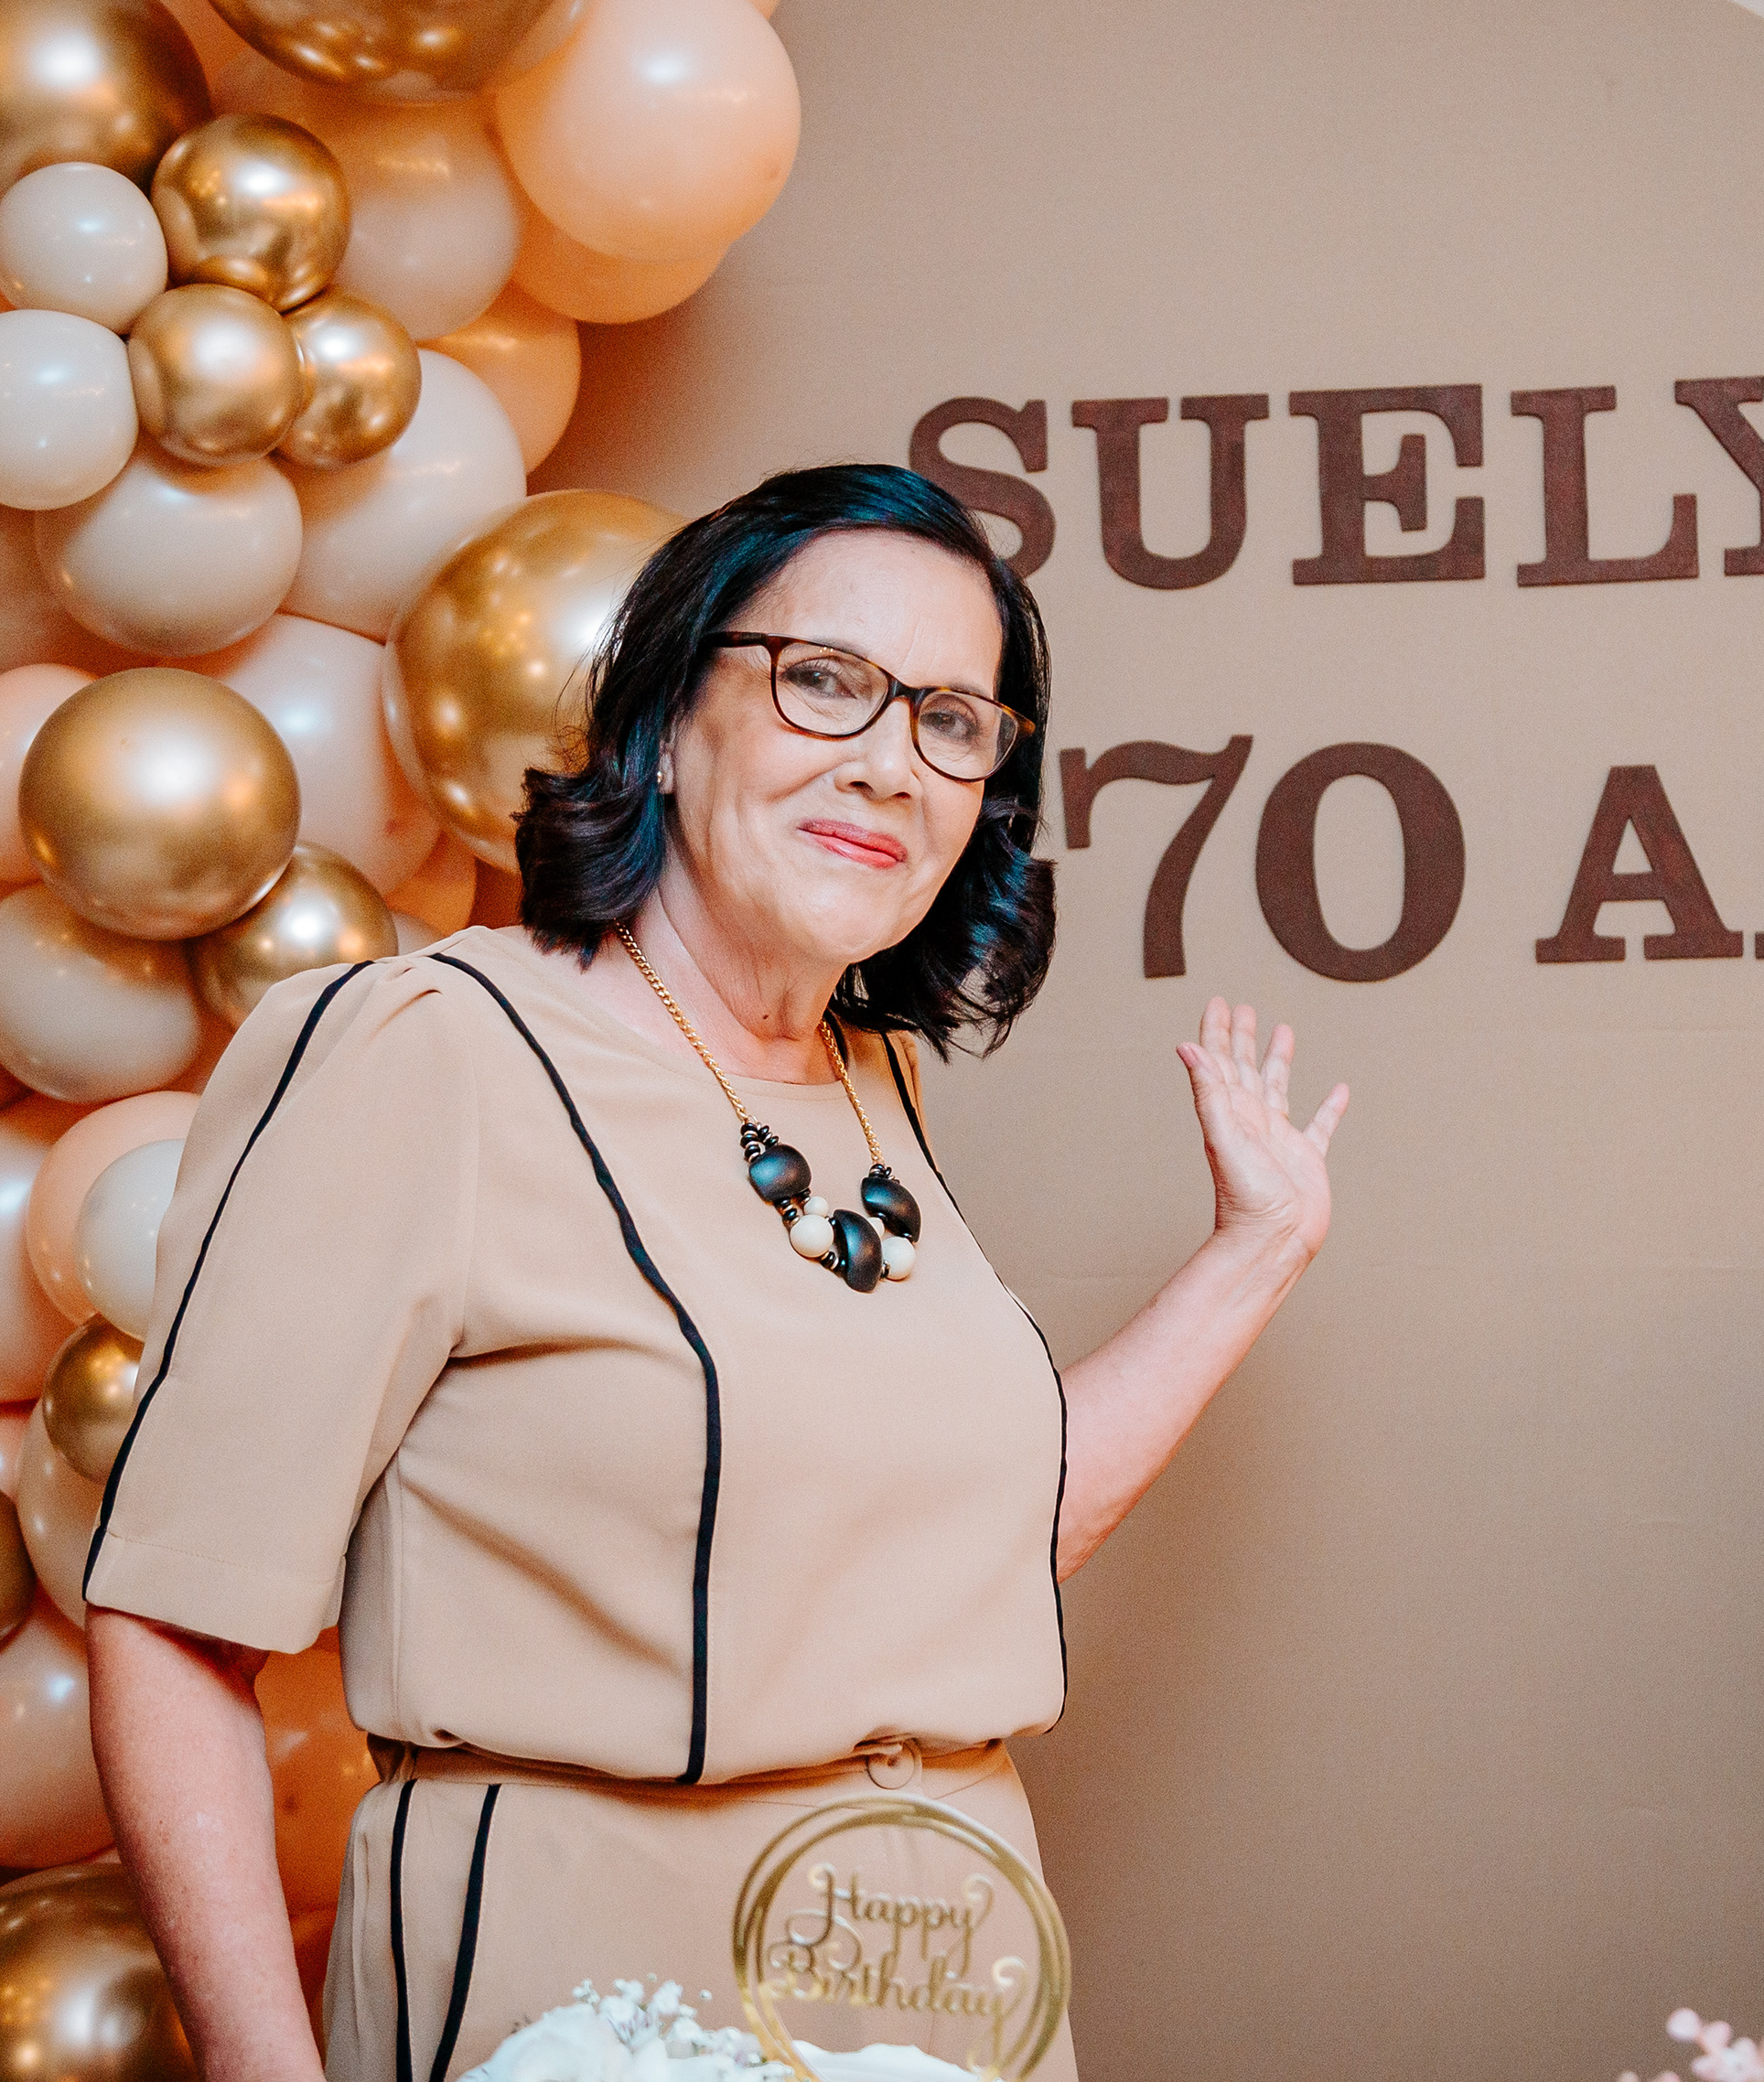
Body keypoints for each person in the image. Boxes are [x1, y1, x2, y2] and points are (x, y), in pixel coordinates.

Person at [85, 464, 1347, 2082]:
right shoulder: (430, 1050)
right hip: (592, 1987)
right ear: (669, 720)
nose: (889, 763)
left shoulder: (869, 1088)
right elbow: (173, 1625)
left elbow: (962, 1564)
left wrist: (1253, 1256)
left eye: (953, 722)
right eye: (824, 681)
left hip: (948, 1976)